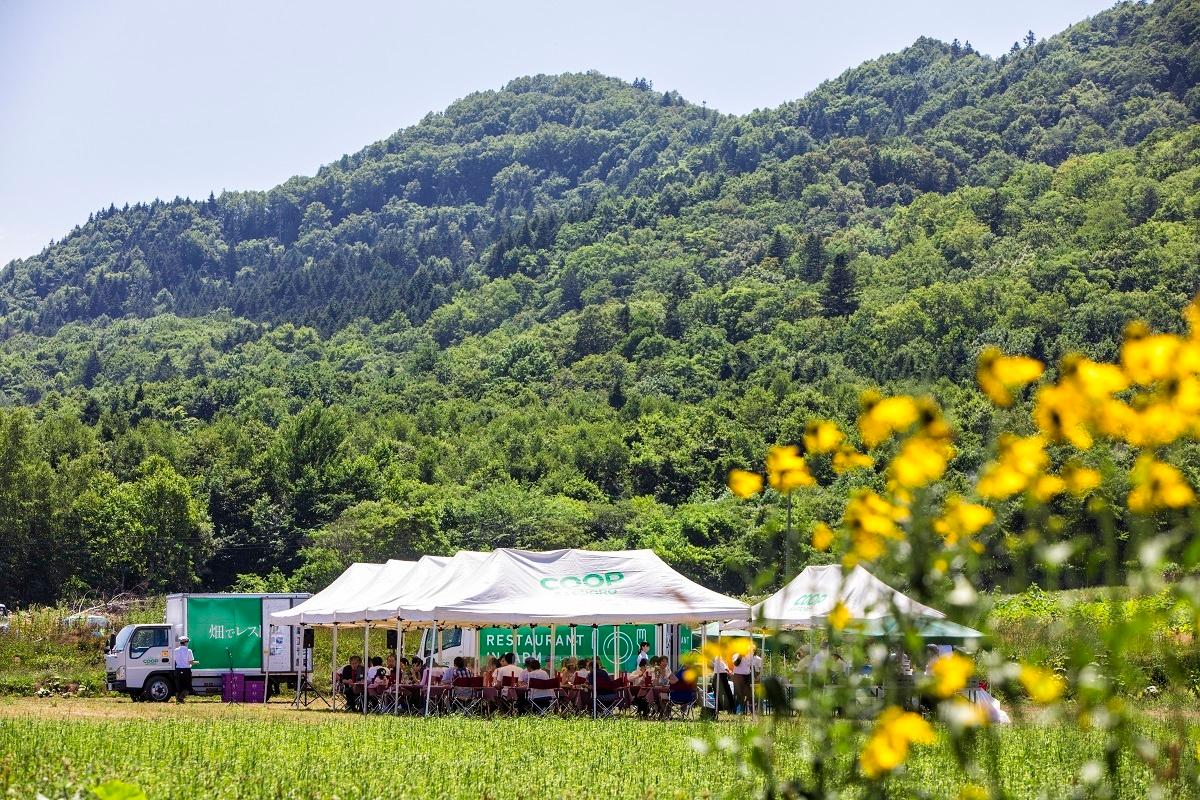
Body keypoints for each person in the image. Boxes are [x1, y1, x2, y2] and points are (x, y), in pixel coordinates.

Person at [172, 635, 197, 703]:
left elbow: (174, 660)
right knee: (188, 687)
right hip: (186, 670)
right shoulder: (189, 651)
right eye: (187, 642)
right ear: (186, 642)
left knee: (179, 686)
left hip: (178, 670)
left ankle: (177, 699)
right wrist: (196, 663)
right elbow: (190, 662)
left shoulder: (176, 650)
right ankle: (181, 698)